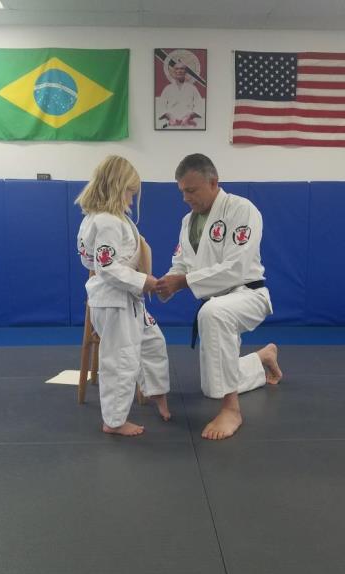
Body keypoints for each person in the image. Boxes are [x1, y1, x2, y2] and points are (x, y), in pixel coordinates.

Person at [156, 153, 282, 441]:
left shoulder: (241, 209)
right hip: (216, 301)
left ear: (213, 182)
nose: (186, 198)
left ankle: (231, 410)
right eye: (182, 191)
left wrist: (183, 282)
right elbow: (182, 264)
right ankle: (262, 358)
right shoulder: (188, 221)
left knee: (212, 314)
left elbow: (237, 267)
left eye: (191, 190)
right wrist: (163, 284)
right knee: (211, 385)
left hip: (248, 293)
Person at [76, 155, 171, 437]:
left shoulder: (107, 219)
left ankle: (156, 392)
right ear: (118, 187)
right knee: (121, 360)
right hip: (114, 302)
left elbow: (95, 260)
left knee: (153, 342)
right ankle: (114, 421)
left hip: (126, 299)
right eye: (130, 191)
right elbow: (105, 267)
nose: (132, 197)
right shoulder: (106, 221)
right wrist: (144, 280)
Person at [158, 61, 203, 128]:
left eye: (182, 68)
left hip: (188, 123)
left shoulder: (192, 88)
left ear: (185, 72)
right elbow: (161, 107)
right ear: (174, 72)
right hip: (172, 123)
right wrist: (170, 116)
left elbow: (199, 106)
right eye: (177, 69)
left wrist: (189, 116)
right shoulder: (167, 89)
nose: (179, 71)